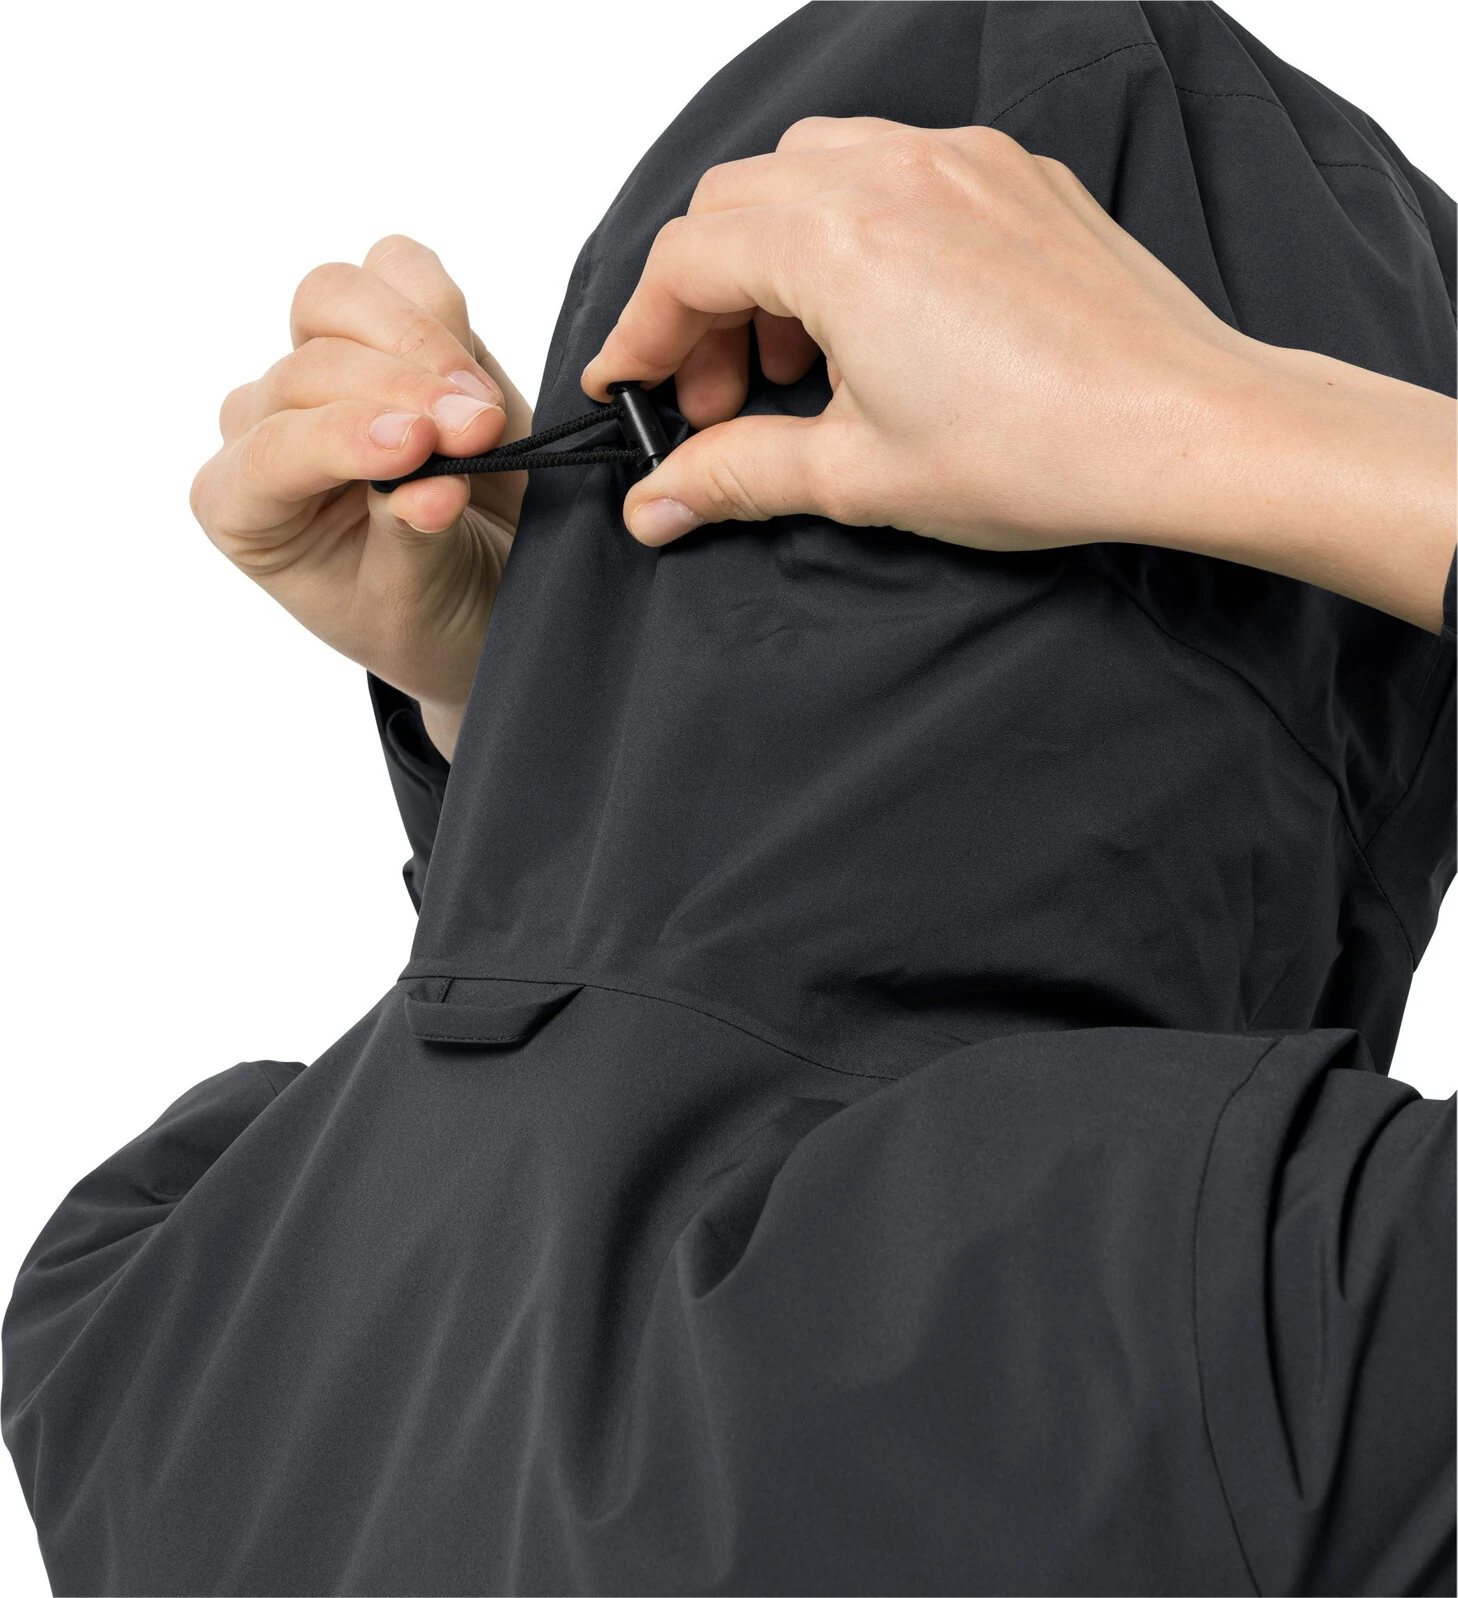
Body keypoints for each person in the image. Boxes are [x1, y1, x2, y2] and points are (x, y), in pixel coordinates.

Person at [4, 3, 1454, 1594]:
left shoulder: (146, 1290)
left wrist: (551, 733)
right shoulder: (1245, 1318)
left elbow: (581, 1150)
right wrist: (1239, 421)